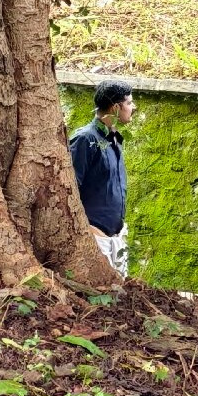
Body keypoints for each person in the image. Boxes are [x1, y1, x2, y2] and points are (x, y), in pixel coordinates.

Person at [69, 80, 135, 276]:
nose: (133, 107)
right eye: (129, 103)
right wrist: (88, 229)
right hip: (95, 239)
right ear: (115, 107)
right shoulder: (85, 139)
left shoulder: (113, 138)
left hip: (116, 238)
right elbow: (70, 189)